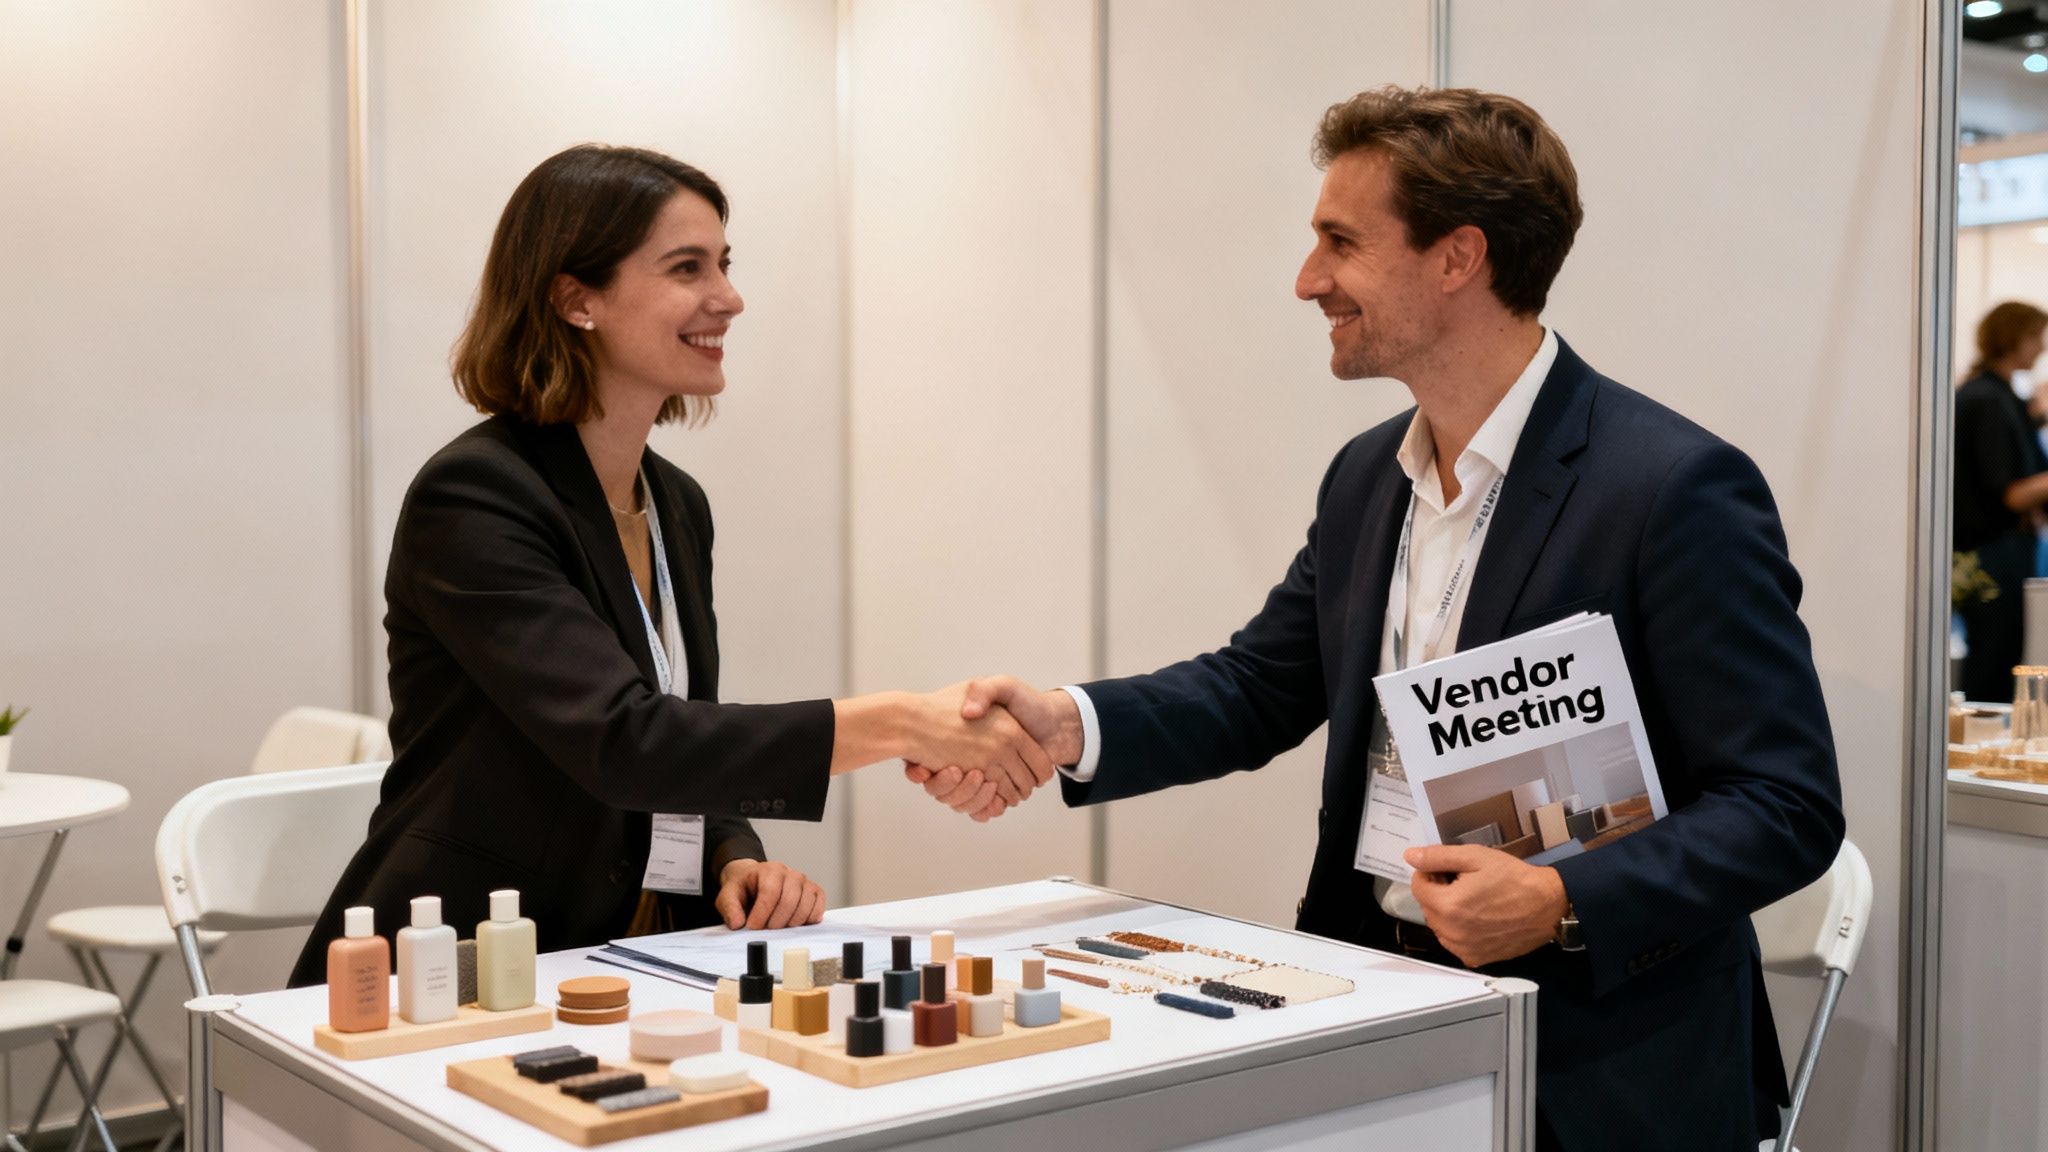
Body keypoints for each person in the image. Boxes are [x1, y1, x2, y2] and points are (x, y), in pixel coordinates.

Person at [912, 87, 1843, 1151]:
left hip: (1604, 1075)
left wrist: (1559, 897)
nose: (1308, 281)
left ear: (1457, 258)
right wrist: (1069, 723)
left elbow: (1783, 803)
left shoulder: (1671, 487)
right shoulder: (1367, 477)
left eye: (1339, 243)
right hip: (1387, 1036)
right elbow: (1257, 686)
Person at [289, 146, 1053, 986]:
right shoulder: (477, 495)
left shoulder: (675, 502)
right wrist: (904, 721)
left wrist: (732, 855)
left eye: (724, 264)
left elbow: (686, 729)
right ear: (576, 299)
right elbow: (624, 740)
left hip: (643, 954)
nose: (728, 297)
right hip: (463, 966)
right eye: (687, 268)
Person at [1954, 300, 2048, 702]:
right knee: (1993, 665)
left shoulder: (1995, 396)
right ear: (2014, 338)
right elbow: (2009, 492)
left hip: (2000, 551)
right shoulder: (1988, 400)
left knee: (1998, 660)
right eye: (2035, 337)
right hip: (1993, 554)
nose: (2041, 347)